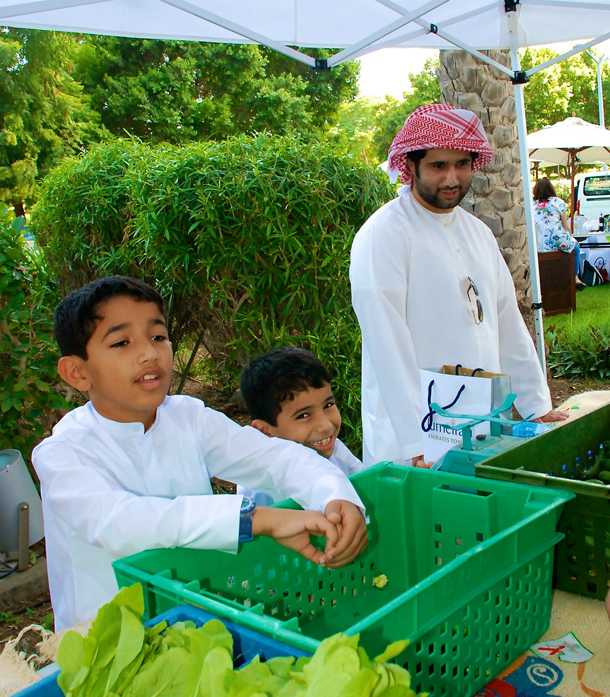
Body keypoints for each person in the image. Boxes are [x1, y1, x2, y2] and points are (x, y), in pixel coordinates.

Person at [32, 276, 368, 630]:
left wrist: (336, 497)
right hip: (105, 644)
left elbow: (277, 458)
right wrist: (256, 519)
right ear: (77, 372)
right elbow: (120, 523)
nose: (149, 353)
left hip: (195, 622)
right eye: (122, 342)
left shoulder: (188, 418)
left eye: (158, 336)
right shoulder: (62, 454)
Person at [349, 103, 567, 468]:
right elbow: (386, 343)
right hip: (412, 439)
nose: (452, 179)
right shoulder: (384, 233)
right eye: (438, 166)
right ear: (411, 165)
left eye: (461, 165)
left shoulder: (478, 232)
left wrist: (535, 407)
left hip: (480, 422)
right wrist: (416, 440)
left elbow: (506, 322)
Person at [238, 347, 363, 507]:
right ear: (264, 430)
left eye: (328, 404)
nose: (325, 425)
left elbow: (368, 486)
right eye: (303, 415)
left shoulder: (336, 451)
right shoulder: (261, 491)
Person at [533, 177, 586, 290]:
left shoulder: (532, 204)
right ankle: (575, 277)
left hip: (538, 244)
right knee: (575, 248)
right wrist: (572, 238)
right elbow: (565, 226)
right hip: (556, 239)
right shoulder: (558, 202)